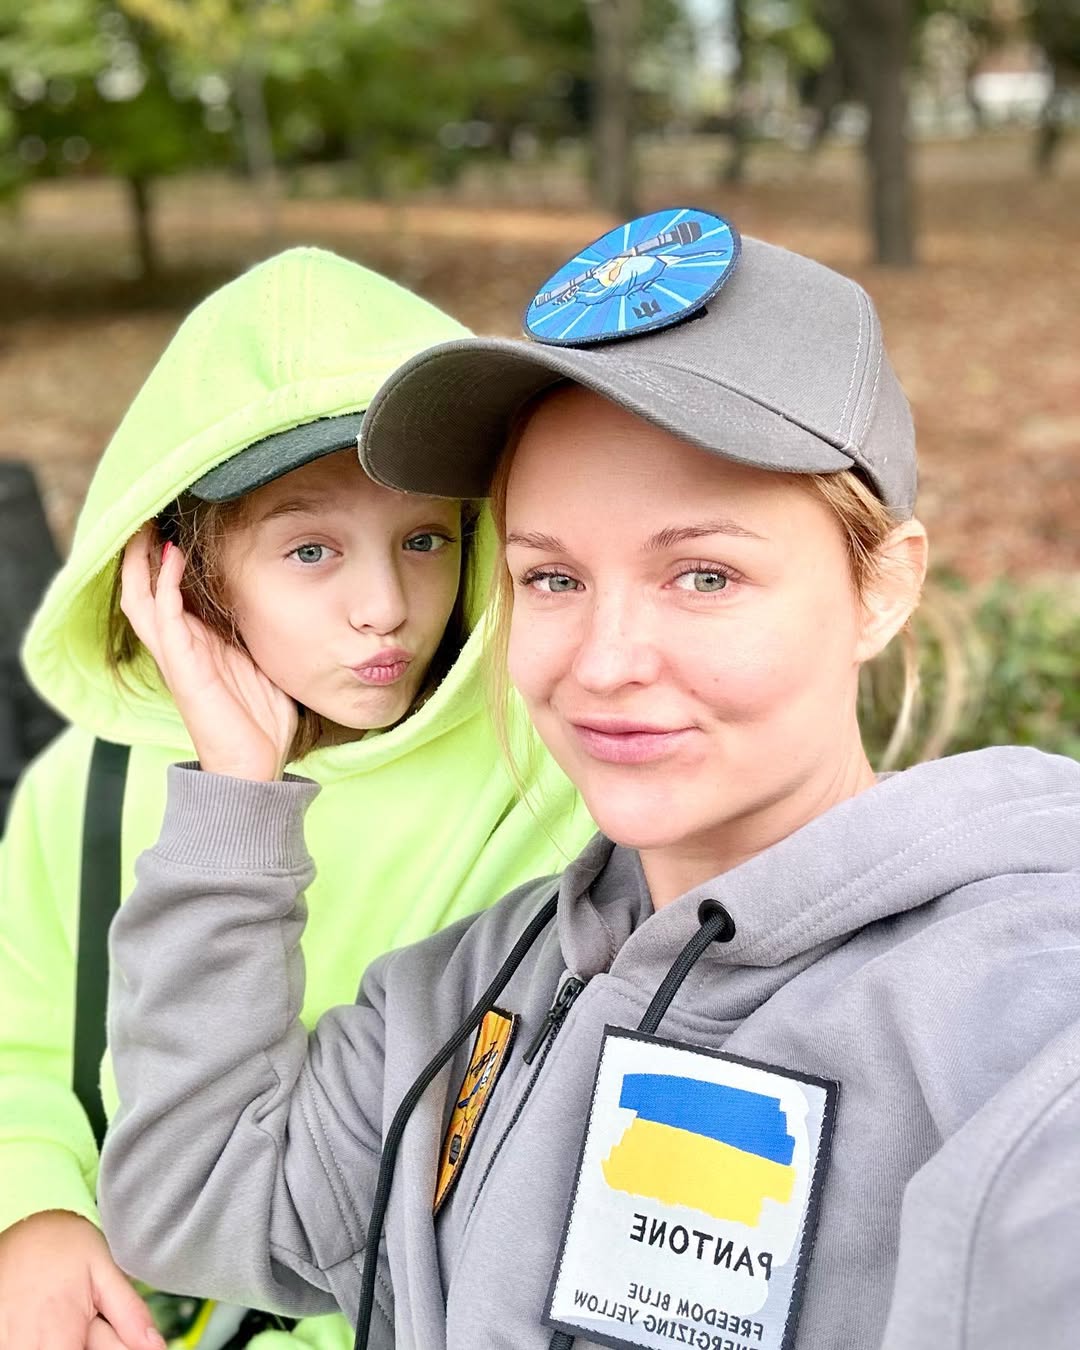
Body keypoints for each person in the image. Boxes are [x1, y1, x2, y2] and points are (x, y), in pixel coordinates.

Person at [98, 213, 1080, 1350]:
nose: (604, 663)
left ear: (882, 588)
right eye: (553, 577)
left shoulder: (1018, 1020)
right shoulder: (469, 993)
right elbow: (200, 1204)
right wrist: (236, 793)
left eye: (702, 574)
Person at [0, 247, 593, 1350]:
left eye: (425, 539)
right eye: (311, 548)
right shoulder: (89, 782)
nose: (385, 605)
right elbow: (18, 1043)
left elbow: (467, 1179)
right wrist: (31, 1211)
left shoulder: (548, 784)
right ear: (183, 572)